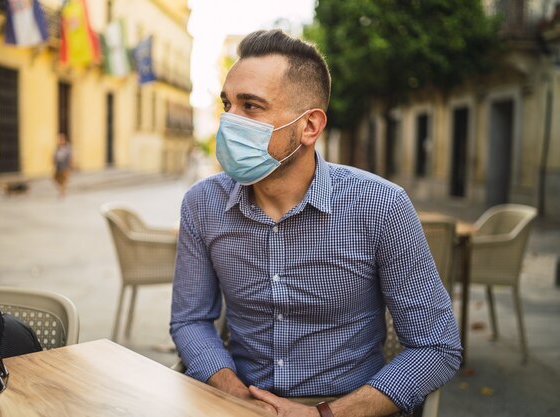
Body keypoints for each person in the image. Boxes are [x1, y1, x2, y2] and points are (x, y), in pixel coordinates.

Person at [170, 30, 461, 417]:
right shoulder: (202, 205)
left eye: (251, 106)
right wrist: (235, 395)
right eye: (228, 104)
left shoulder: (381, 207)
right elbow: (190, 320)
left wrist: (324, 415)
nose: (229, 121)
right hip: (238, 403)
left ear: (309, 127)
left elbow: (437, 346)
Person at [53, 133, 72, 197]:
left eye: (61, 139)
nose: (60, 141)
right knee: (56, 179)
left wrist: (71, 165)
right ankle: (62, 190)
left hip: (65, 166)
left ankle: (62, 192)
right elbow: (54, 156)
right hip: (58, 166)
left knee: (64, 180)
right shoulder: (57, 148)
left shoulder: (67, 147)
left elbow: (70, 157)